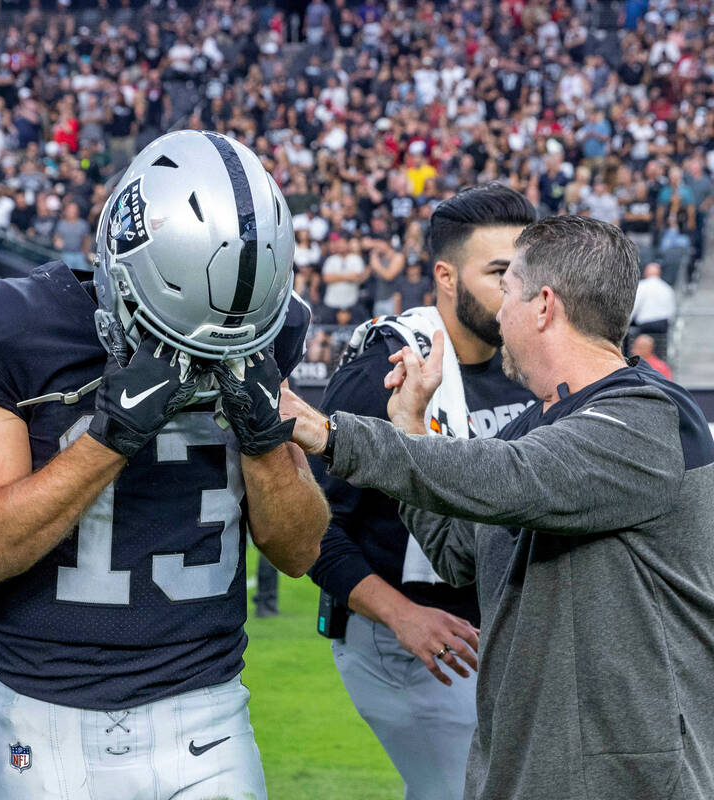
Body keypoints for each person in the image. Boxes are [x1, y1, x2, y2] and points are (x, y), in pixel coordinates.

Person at [0, 130, 329, 798]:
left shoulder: (260, 329)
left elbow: (299, 550)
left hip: (207, 715)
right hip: (41, 719)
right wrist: (112, 437)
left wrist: (263, 438)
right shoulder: (16, 329)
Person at [284, 215, 714, 800]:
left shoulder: (646, 419)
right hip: (530, 763)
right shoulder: (539, 419)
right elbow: (461, 551)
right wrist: (409, 423)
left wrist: (329, 433)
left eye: (507, 290)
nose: (498, 313)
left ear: (542, 306)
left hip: (627, 774)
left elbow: (514, 476)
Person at [307, 184, 537, 800]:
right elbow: (306, 527)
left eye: (527, 272)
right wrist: (400, 615)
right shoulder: (382, 371)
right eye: (498, 273)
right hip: (414, 637)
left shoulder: (532, 361)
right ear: (445, 276)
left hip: (500, 630)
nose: (519, 289)